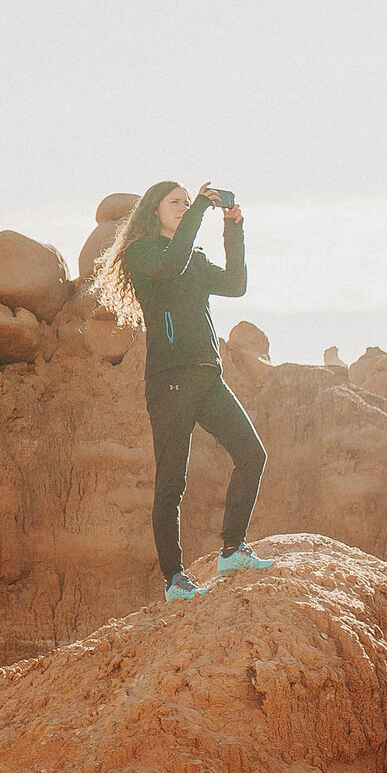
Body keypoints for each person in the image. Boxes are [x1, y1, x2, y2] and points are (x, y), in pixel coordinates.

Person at [91, 181, 275, 602]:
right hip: (170, 380)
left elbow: (235, 284)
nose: (185, 208)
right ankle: (175, 580)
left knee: (252, 455)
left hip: (207, 377)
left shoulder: (191, 258)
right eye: (176, 202)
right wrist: (200, 213)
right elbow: (170, 264)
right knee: (172, 483)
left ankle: (232, 551)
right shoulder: (144, 255)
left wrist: (232, 226)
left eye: (187, 203)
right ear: (153, 211)